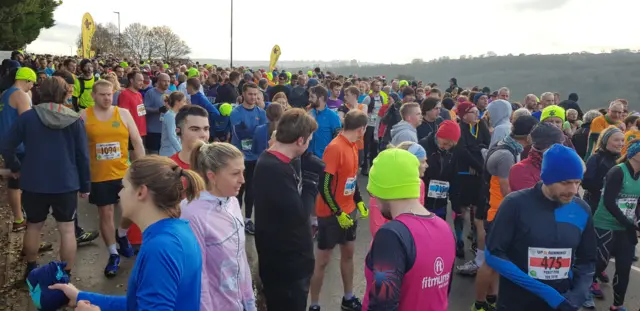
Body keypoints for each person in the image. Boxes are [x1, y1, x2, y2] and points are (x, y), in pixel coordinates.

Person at [50, 156, 205, 311]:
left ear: (141, 192)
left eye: (124, 187)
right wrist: (80, 297)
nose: (119, 194)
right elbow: (138, 304)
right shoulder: (176, 232)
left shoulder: (161, 248)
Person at [486, 144, 596, 311]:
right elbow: (493, 254)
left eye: (577, 182)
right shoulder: (515, 204)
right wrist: (548, 294)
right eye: (566, 183)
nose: (573, 190)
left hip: (562, 302)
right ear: (548, 177)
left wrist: (578, 295)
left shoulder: (582, 209)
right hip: (517, 303)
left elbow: (587, 261)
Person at [0, 77, 90, 278]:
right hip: (66, 183)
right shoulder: (75, 120)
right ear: (64, 92)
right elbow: (82, 156)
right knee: (67, 229)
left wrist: (15, 166)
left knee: (33, 225)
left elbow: (6, 145)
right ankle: (64, 274)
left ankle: (31, 268)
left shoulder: (28, 117)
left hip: (34, 181)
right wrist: (85, 185)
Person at [363, 148, 455, 311]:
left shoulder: (391, 235)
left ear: (384, 190)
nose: (375, 201)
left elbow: (382, 305)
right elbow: (442, 294)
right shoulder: (445, 228)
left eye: (374, 194)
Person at [465, 115, 538, 310]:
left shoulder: (506, 145)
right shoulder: (507, 154)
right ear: (529, 134)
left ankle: (491, 298)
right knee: (491, 262)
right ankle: (479, 304)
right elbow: (507, 191)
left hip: (497, 210)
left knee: (497, 262)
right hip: (498, 213)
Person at [253, 108, 318, 311]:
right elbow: (299, 215)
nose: (308, 146)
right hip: (286, 269)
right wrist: (311, 183)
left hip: (285, 262)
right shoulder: (275, 169)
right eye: (309, 140)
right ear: (300, 140)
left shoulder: (276, 161)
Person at [183, 141, 256, 311]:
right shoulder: (191, 214)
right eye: (235, 174)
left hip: (238, 303)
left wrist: (249, 301)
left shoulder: (232, 202)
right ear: (212, 176)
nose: (243, 180)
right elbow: (198, 277)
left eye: (243, 172)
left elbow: (240, 258)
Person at [83, 80, 145, 277]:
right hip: (99, 175)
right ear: (93, 95)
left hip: (123, 173)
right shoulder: (84, 116)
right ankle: (112, 254)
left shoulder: (123, 114)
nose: (107, 98)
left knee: (131, 209)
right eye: (102, 94)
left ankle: (122, 234)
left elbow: (136, 141)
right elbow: (78, 148)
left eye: (109, 94)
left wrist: (143, 167)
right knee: (106, 214)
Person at [309, 110, 370, 311]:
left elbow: (351, 178)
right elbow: (324, 185)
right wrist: (337, 212)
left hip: (349, 211)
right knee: (323, 261)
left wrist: (359, 201)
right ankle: (315, 304)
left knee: (349, 254)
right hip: (330, 214)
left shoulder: (353, 145)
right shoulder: (335, 147)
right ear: (362, 128)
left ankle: (348, 297)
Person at [588, 139, 640, 311]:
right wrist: (629, 223)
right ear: (635, 154)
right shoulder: (617, 171)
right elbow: (609, 202)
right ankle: (582, 290)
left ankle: (617, 306)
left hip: (626, 227)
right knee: (598, 265)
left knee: (624, 269)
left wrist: (636, 222)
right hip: (605, 225)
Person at [452, 101, 491, 258]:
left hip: (478, 174)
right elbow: (462, 150)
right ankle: (459, 240)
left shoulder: (481, 126)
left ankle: (475, 240)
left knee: (477, 208)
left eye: (477, 112)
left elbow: (487, 145)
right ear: (463, 115)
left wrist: (480, 166)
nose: (477, 115)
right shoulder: (459, 128)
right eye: (473, 112)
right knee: (461, 208)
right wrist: (477, 158)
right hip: (462, 173)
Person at [0, 67, 35, 233]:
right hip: (19, 146)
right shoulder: (20, 95)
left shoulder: (5, 93)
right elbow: (28, 122)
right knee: (21, 182)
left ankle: (19, 218)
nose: (32, 87)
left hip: (7, 145)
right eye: (32, 83)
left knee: (14, 181)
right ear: (27, 80)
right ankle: (22, 220)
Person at [368, 141, 428, 237]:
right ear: (411, 163)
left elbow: (419, 217)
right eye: (423, 161)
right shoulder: (383, 185)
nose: (426, 165)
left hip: (410, 240)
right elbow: (377, 226)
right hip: (388, 241)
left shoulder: (420, 184)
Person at [230, 82, 267, 235]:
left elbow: (264, 134)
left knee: (251, 190)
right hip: (239, 157)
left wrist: (253, 131)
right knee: (238, 189)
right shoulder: (236, 112)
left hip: (256, 157)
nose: (253, 97)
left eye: (255, 94)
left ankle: (247, 219)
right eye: (250, 94)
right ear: (243, 94)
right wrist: (256, 131)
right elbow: (241, 134)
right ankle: (235, 218)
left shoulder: (261, 113)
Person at [418, 120, 461, 219]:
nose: (446, 147)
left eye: (450, 145)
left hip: (441, 201)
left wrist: (456, 206)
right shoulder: (423, 146)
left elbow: (454, 177)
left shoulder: (453, 151)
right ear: (438, 135)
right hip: (423, 201)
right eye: (445, 143)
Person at [583, 126, 624, 212]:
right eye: (616, 140)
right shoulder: (595, 158)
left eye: (622, 140)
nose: (621, 143)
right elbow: (585, 183)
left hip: (615, 207)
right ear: (605, 141)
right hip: (595, 205)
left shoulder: (622, 159)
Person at [307, 85, 342, 158]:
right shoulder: (308, 113)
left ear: (321, 98)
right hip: (307, 157)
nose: (309, 99)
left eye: (312, 97)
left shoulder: (333, 116)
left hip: (324, 159)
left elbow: (338, 139)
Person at [143, 73, 171, 153]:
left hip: (166, 130)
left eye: (168, 81)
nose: (167, 83)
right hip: (153, 131)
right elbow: (144, 109)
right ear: (158, 81)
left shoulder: (171, 93)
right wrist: (158, 110)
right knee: (154, 155)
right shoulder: (150, 93)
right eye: (164, 81)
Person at [117, 71, 147, 146]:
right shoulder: (125, 94)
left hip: (141, 132)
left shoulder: (139, 94)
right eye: (139, 80)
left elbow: (141, 112)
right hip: (132, 133)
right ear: (131, 80)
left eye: (142, 80)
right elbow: (123, 115)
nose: (142, 83)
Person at [159, 92, 187, 156]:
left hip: (173, 152)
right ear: (177, 102)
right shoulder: (170, 116)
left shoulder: (175, 115)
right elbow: (172, 136)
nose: (185, 104)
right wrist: (181, 151)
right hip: (169, 153)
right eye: (184, 101)